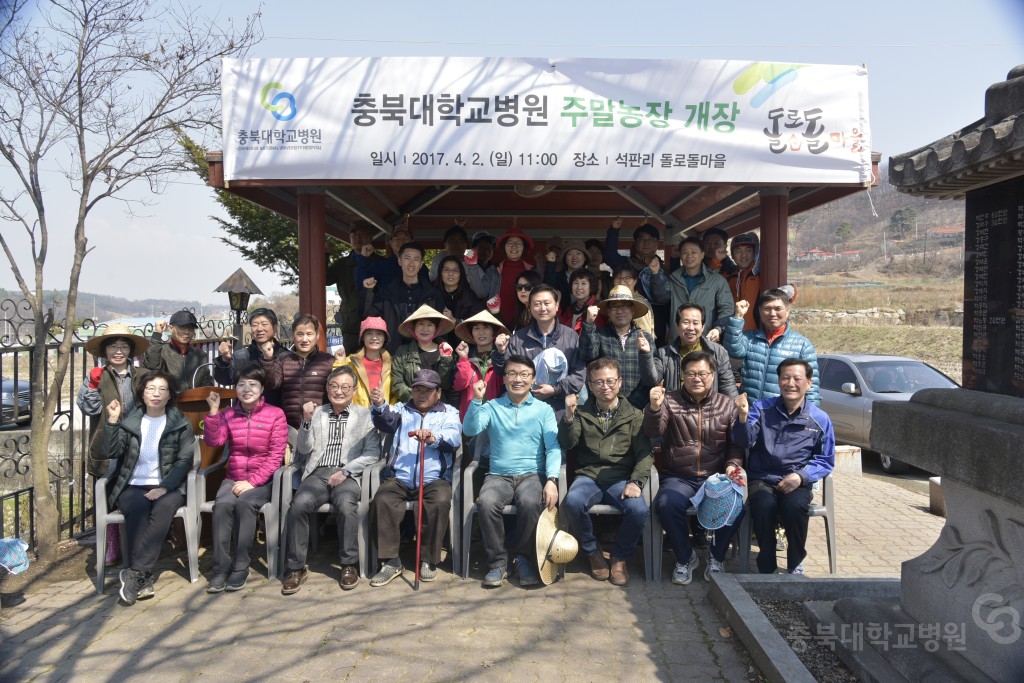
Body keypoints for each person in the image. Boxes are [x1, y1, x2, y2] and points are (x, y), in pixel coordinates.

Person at [645, 352, 745, 585]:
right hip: (679, 477)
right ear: (682, 376)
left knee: (736, 504)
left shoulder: (727, 404)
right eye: (690, 373)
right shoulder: (669, 400)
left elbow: (736, 445)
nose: (696, 378)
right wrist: (653, 408)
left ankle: (716, 556)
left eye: (702, 373)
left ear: (713, 375)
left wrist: (732, 466)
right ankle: (685, 557)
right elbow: (653, 432)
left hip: (716, 476)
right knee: (666, 504)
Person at [280, 367, 382, 594]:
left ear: (354, 390)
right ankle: (296, 568)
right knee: (298, 505)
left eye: (345, 387)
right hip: (318, 473)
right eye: (334, 386)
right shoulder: (317, 414)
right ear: (326, 388)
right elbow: (304, 449)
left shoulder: (366, 416)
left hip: (348, 474)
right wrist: (305, 422)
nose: (339, 391)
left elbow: (373, 454)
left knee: (346, 505)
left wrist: (346, 471)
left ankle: (349, 565)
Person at [463, 355, 560, 588]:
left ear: (533, 379)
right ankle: (497, 562)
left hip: (531, 474)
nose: (518, 379)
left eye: (524, 375)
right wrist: (476, 400)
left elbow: (553, 447)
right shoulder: (492, 406)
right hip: (498, 474)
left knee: (530, 502)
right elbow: (470, 429)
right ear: (504, 378)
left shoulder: (543, 410)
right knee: (486, 502)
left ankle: (523, 558)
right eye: (512, 374)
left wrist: (551, 480)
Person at [734, 358, 835, 575]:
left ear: (808, 383)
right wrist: (742, 418)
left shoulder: (820, 419)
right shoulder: (761, 409)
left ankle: (795, 562)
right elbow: (743, 442)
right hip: (762, 478)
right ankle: (767, 565)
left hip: (797, 481)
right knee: (763, 505)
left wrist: (801, 476)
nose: (791, 383)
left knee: (795, 507)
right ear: (778, 381)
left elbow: (825, 459)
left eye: (797, 378)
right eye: (785, 378)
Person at [104, 371, 197, 605]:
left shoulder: (180, 422)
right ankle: (142, 578)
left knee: (163, 509)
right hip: (134, 484)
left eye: (162, 390)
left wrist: (164, 487)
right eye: (150, 389)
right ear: (142, 394)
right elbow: (112, 452)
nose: (156, 394)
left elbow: (184, 461)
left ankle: (135, 573)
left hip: (170, 484)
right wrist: (112, 421)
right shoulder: (130, 421)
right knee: (137, 508)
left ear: (170, 396)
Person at [559, 359, 653, 586]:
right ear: (590, 386)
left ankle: (620, 558)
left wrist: (636, 483)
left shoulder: (634, 415)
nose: (605, 386)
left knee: (638, 509)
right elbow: (568, 443)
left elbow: (645, 454)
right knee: (572, 502)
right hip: (588, 476)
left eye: (610, 381)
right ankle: (593, 552)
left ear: (620, 383)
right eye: (598, 382)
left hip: (620, 479)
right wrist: (569, 417)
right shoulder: (581, 412)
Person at [368, 369, 462, 586]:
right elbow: (386, 422)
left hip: (434, 479)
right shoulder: (402, 409)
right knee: (382, 500)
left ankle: (428, 560)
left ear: (438, 392)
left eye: (428, 390)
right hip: (399, 477)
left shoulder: (449, 412)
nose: (421, 394)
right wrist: (380, 405)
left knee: (439, 501)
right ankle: (391, 561)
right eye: (418, 389)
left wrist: (432, 437)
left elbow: (454, 439)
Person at [203, 367, 287, 593]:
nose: (246, 389)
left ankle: (241, 567)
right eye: (241, 384)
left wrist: (253, 482)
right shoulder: (228, 414)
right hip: (234, 477)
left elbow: (276, 455)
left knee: (245, 504)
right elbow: (215, 442)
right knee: (222, 505)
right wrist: (213, 413)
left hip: (264, 480)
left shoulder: (275, 414)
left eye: (253, 384)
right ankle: (221, 569)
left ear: (262, 389)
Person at [78, 324, 151, 567]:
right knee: (107, 491)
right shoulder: (97, 376)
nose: (118, 351)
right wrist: (92, 386)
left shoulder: (143, 376)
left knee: (136, 489)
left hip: (138, 441)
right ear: (105, 351)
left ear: (130, 351)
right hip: (106, 441)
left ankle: (139, 543)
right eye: (113, 347)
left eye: (123, 347)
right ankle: (111, 544)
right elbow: (88, 409)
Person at [493, 284, 586, 417]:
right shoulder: (518, 338)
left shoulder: (571, 336)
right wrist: (501, 352)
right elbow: (504, 372)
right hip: (525, 410)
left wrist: (555, 389)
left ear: (557, 306)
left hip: (561, 410)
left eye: (547, 303)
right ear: (529, 308)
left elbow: (579, 374)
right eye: (537, 304)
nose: (542, 308)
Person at [724, 289, 820, 404]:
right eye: (767, 309)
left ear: (787, 311)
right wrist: (737, 317)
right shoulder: (750, 338)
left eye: (778, 309)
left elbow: (812, 387)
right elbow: (733, 349)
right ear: (760, 311)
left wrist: (809, 417)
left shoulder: (802, 345)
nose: (772, 313)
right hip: (751, 412)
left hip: (782, 415)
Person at [579, 286, 659, 410]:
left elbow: (652, 377)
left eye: (624, 306)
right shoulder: (599, 335)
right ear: (609, 312)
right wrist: (589, 324)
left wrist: (634, 404)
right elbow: (587, 355)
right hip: (604, 405)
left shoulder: (645, 338)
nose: (619, 311)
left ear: (632, 310)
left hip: (638, 408)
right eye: (615, 307)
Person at [650, 236, 733, 346]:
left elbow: (727, 308)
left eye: (694, 252)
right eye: (685, 252)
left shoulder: (717, 280)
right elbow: (661, 298)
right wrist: (655, 273)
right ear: (680, 255)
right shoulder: (673, 278)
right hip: (677, 341)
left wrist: (718, 329)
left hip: (706, 341)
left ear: (702, 255)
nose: (689, 256)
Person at [363, 242, 445, 353]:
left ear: (421, 264)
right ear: (399, 261)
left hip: (424, 353)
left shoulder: (433, 294)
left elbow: (440, 327)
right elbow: (368, 317)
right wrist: (368, 291)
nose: (411, 263)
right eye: (407, 258)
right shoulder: (386, 292)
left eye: (416, 259)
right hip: (393, 352)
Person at [261, 314, 335, 428]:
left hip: (320, 424)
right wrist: (267, 359)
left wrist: (342, 364)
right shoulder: (283, 359)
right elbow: (272, 384)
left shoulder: (328, 360)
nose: (304, 339)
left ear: (317, 335)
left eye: (309, 334)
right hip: (289, 426)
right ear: (293, 336)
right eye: (300, 334)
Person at [603, 218, 669, 341]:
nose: (646, 243)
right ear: (635, 242)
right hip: (626, 323)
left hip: (658, 326)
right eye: (642, 239)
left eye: (650, 239)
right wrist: (614, 230)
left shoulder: (664, 270)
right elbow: (609, 255)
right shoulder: (626, 264)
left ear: (657, 243)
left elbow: (664, 298)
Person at [655, 304, 737, 397]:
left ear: (703, 327)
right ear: (677, 325)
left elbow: (728, 387)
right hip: (675, 408)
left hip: (708, 409)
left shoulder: (718, 352)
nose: (690, 327)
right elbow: (652, 379)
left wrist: (737, 408)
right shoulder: (664, 353)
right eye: (686, 322)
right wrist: (645, 354)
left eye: (695, 323)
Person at [213, 307, 288, 404]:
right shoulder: (241, 356)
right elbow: (224, 380)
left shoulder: (286, 356)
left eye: (264, 324)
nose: (259, 329)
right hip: (245, 414)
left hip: (276, 414)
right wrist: (224, 360)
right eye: (255, 325)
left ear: (274, 328)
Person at [391, 305, 457, 406]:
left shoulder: (446, 352)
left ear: (436, 328)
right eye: (420, 324)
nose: (425, 329)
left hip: (438, 408)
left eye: (430, 325)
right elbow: (397, 384)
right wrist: (416, 398)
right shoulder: (403, 351)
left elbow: (446, 385)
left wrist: (446, 360)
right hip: (410, 406)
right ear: (414, 327)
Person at [327, 222, 377, 350]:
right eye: (354, 235)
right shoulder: (342, 264)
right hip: (351, 325)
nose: (358, 238)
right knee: (352, 364)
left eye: (362, 234)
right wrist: (325, 255)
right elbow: (325, 279)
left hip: (375, 325)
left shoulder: (380, 263)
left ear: (370, 237)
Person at [451, 310, 508, 420]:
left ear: (494, 333)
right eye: (476, 328)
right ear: (471, 333)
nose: (481, 332)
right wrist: (463, 358)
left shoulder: (503, 357)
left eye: (486, 327)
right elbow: (459, 385)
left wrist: (501, 352)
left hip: (497, 418)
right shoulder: (466, 358)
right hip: (471, 418)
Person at [333, 317, 394, 408]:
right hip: (357, 417)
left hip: (383, 417)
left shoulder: (392, 363)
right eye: (369, 333)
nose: (374, 338)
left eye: (379, 334)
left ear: (385, 338)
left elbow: (395, 396)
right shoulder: (350, 362)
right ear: (362, 337)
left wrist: (387, 412)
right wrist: (340, 363)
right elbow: (336, 386)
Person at [143, 310, 213, 389]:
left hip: (195, 400)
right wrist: (157, 334)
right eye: (182, 327)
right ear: (170, 328)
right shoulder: (161, 352)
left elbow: (206, 379)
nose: (187, 332)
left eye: (191, 328)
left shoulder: (200, 355)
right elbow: (152, 366)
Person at [432, 255, 484, 346]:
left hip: (465, 346)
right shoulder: (432, 294)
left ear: (461, 274)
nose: (450, 274)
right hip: (437, 345)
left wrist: (456, 321)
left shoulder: (470, 296)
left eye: (455, 270)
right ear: (440, 272)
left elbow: (479, 323)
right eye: (446, 270)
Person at [491, 226, 536, 327]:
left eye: (518, 243)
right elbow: (480, 292)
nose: (514, 246)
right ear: (504, 247)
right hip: (497, 320)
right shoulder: (493, 269)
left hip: (525, 321)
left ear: (524, 247)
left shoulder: (531, 270)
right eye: (510, 243)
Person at [725, 232, 760, 332]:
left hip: (756, 337)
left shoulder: (761, 274)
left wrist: (790, 290)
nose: (744, 255)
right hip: (732, 336)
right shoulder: (728, 278)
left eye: (748, 250)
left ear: (754, 253)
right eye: (738, 251)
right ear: (732, 255)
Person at [611, 263, 655, 336]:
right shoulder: (614, 299)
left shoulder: (639, 303)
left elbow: (645, 334)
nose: (622, 282)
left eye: (627, 278)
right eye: (618, 278)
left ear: (635, 281)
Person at [544, 239, 591, 306]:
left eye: (578, 253)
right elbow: (547, 290)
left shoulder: (592, 278)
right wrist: (550, 263)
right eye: (570, 254)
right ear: (565, 258)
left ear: (584, 258)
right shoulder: (558, 277)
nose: (574, 257)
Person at [557, 269, 604, 335]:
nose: (579, 287)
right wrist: (557, 303)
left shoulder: (596, 309)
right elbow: (560, 326)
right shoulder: (570, 309)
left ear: (591, 287)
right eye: (576, 283)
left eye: (583, 283)